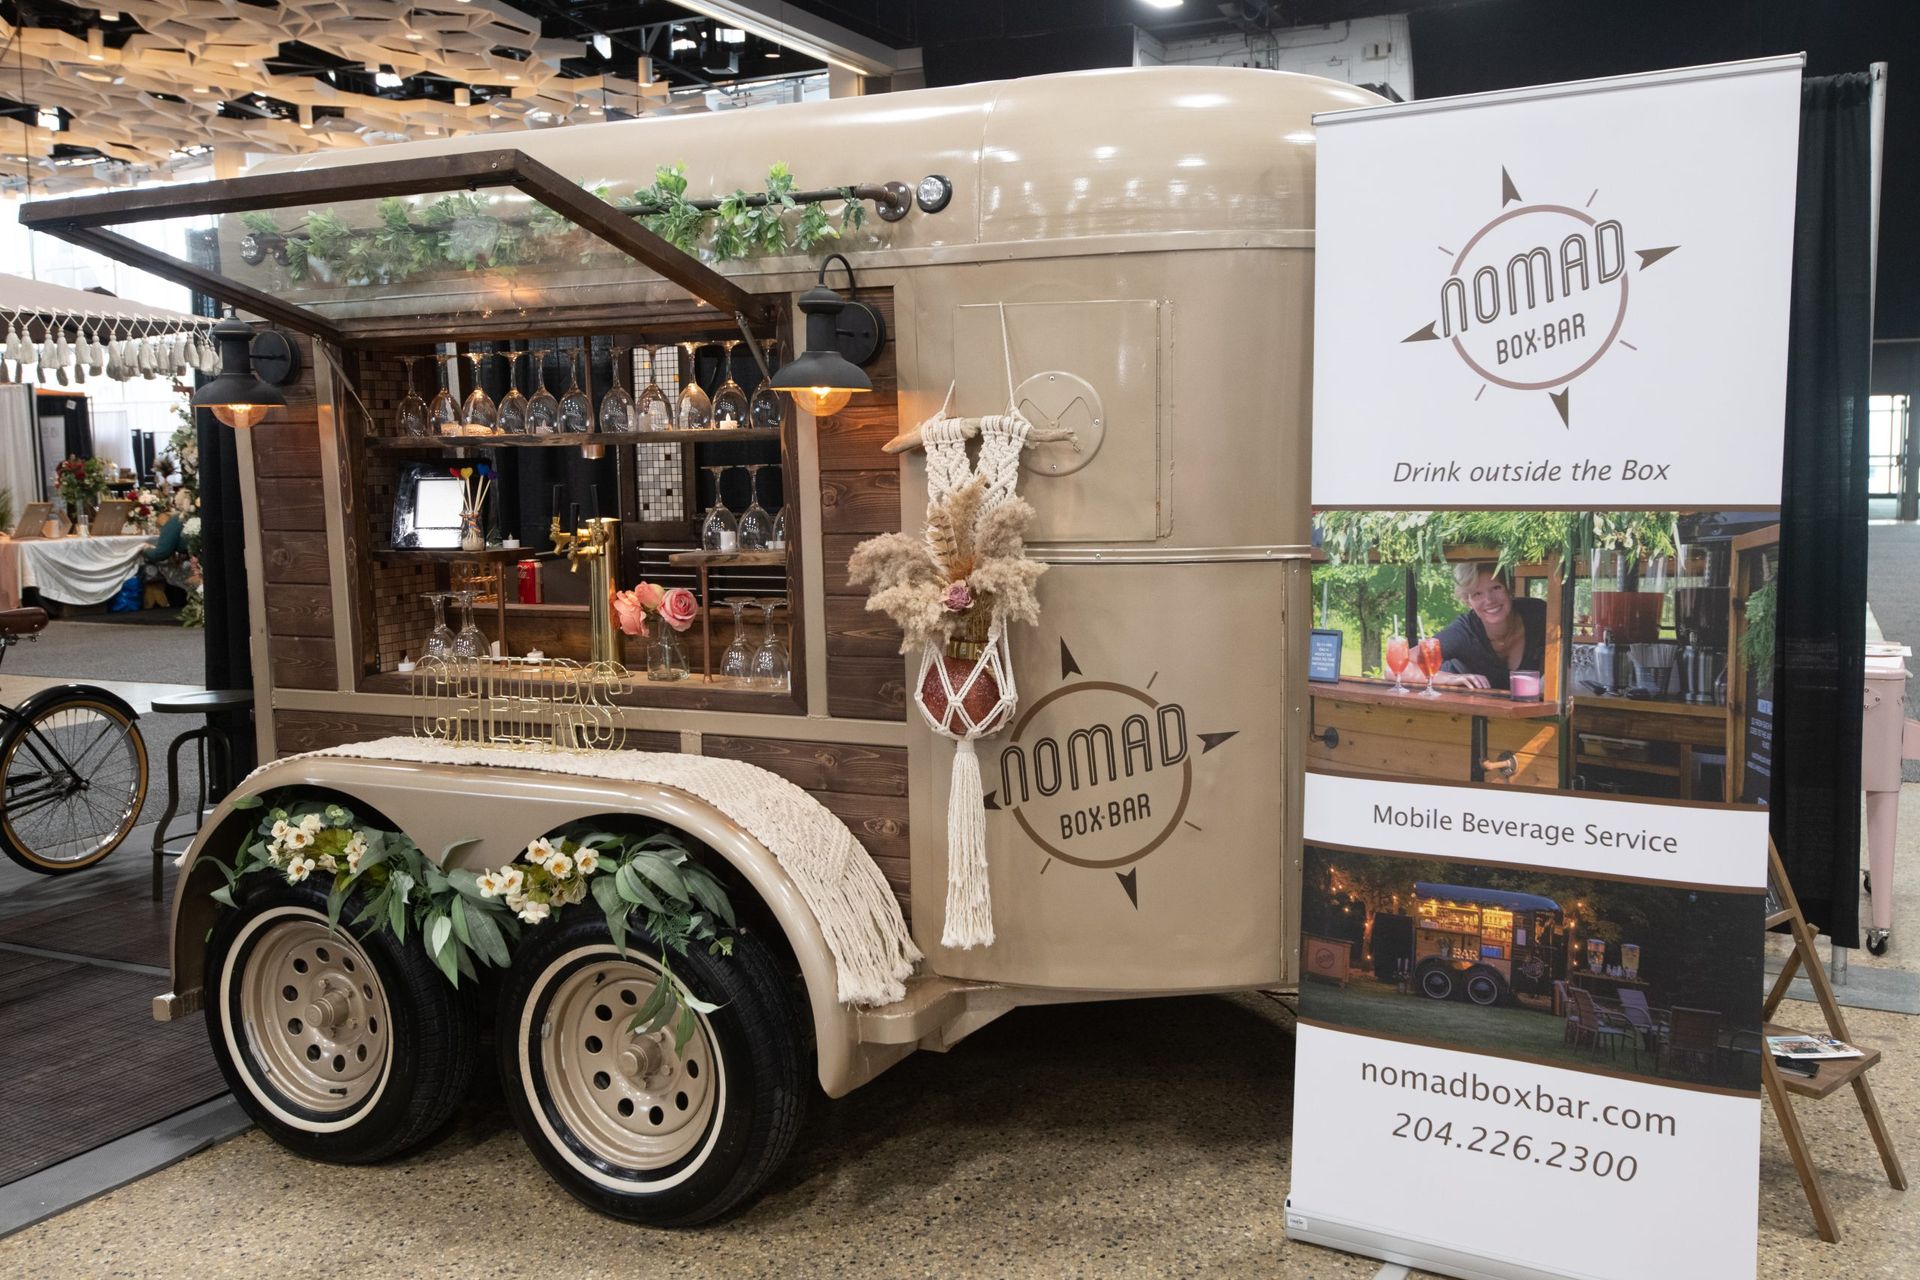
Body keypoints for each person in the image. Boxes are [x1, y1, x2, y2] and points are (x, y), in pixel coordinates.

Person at [1429, 562, 1545, 691]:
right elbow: (1407, 665)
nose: (1489, 600)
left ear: (1509, 588)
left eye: (1496, 588)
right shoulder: (1464, 631)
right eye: (1477, 594)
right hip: (1469, 709)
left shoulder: (1537, 613)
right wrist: (1449, 678)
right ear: (1468, 602)